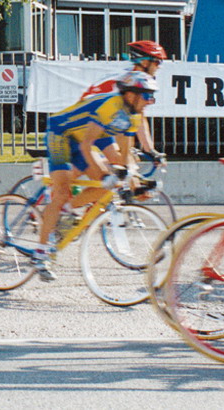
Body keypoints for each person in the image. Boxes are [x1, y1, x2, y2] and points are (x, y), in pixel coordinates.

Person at [34, 70, 158, 280]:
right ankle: (41, 253)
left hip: (88, 137)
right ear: (130, 95)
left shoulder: (133, 116)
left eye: (152, 96)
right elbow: (86, 146)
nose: (150, 101)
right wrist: (108, 175)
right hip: (62, 134)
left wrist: (135, 183)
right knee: (63, 191)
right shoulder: (110, 107)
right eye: (147, 95)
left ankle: (64, 212)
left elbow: (124, 155)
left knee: (108, 187)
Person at [80, 39, 167, 167]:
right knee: (123, 162)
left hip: (103, 119)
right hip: (87, 120)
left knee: (125, 164)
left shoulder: (140, 79)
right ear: (144, 62)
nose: (159, 66)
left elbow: (139, 117)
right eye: (157, 62)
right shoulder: (127, 80)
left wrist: (150, 150)